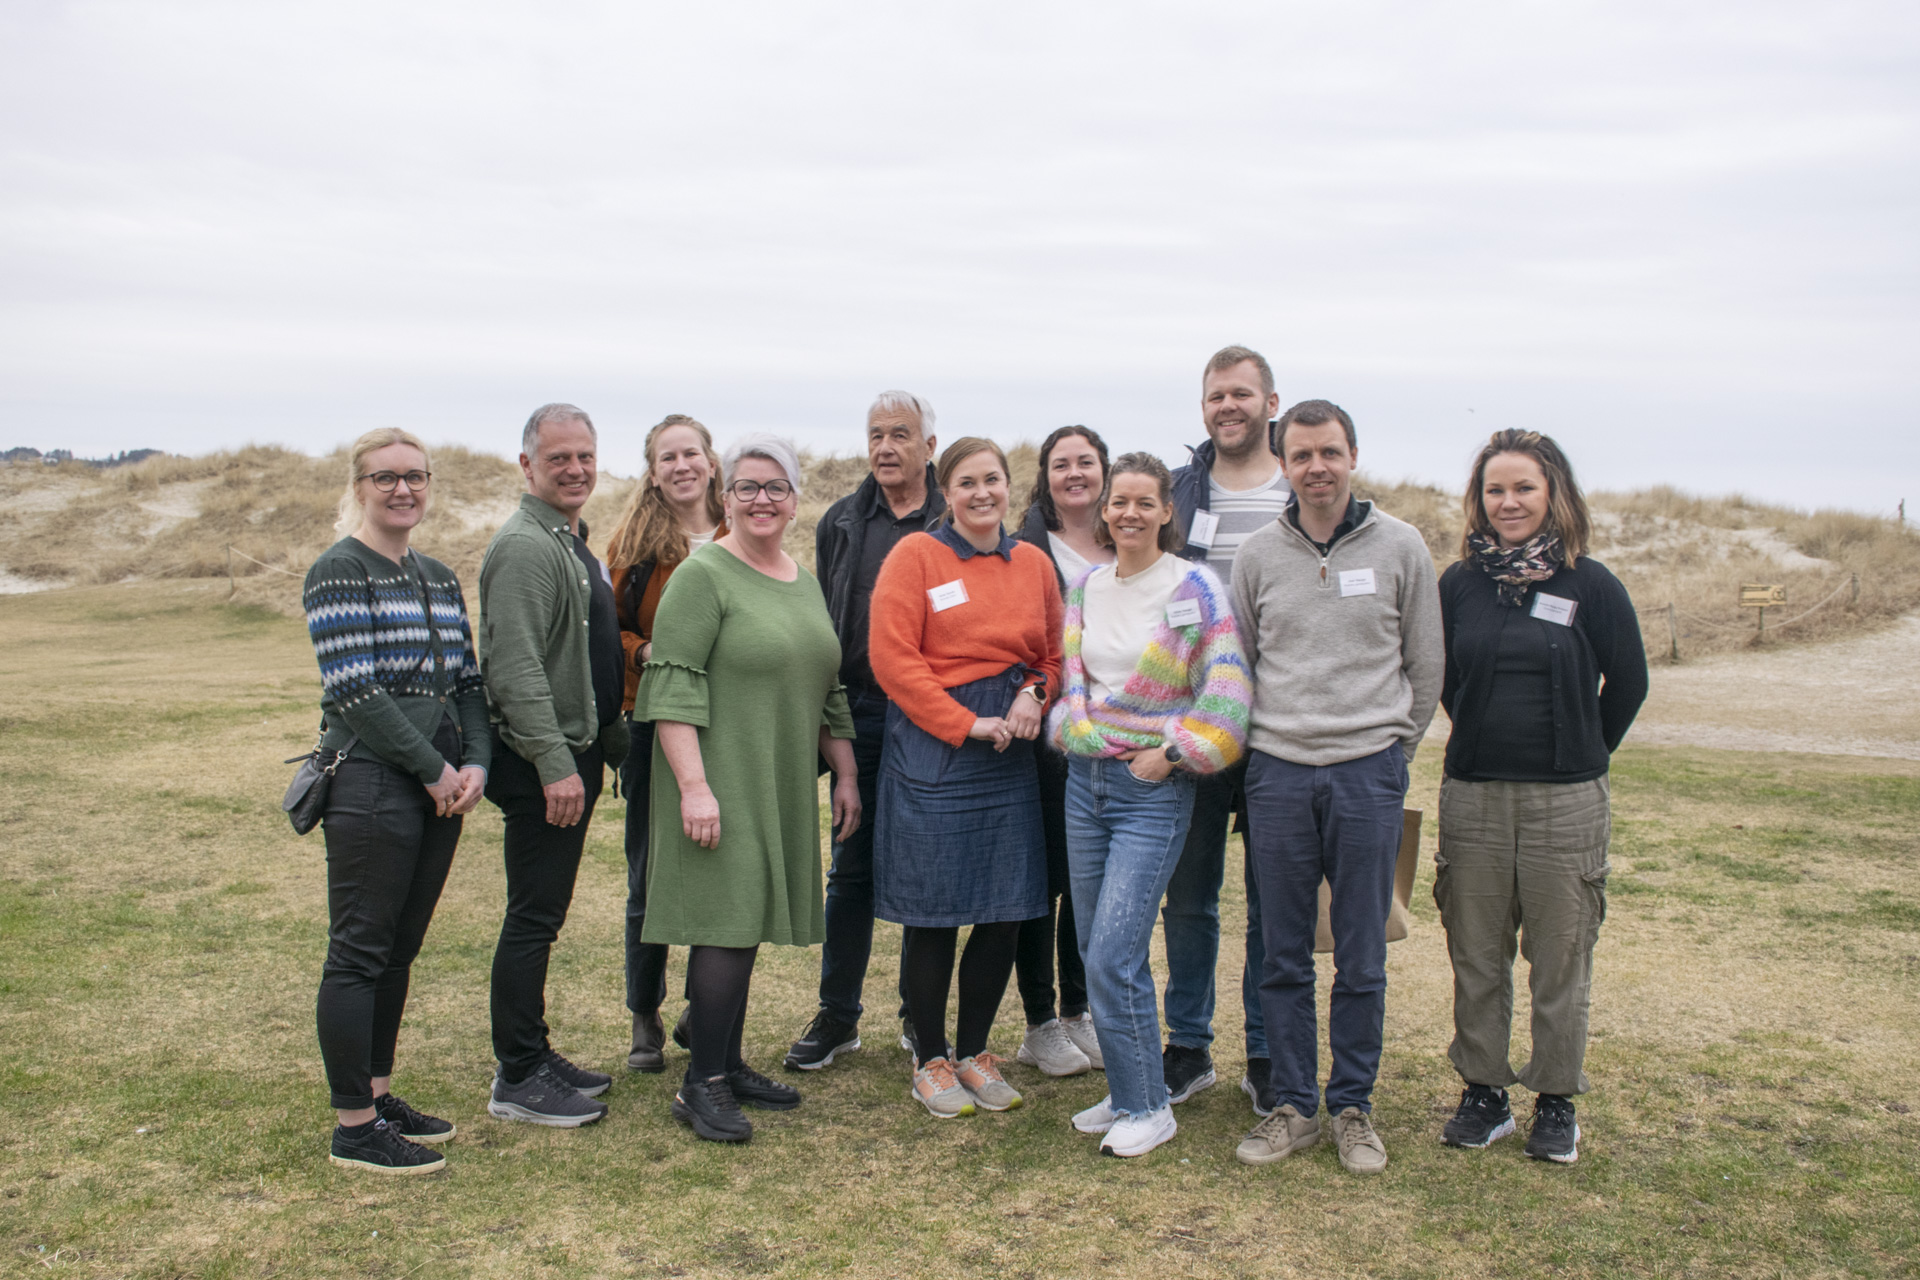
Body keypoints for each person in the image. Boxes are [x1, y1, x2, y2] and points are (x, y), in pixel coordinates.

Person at [1232, 399, 1443, 1175]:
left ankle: (1353, 1106)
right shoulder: (1258, 553)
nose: (1316, 467)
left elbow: (1426, 663)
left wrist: (1392, 754)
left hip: (1367, 773)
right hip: (1278, 774)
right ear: (1283, 464)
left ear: (1352, 455)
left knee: (1361, 954)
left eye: (1329, 452)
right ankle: (1294, 1106)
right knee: (1281, 953)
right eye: (1301, 455)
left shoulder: (1402, 546)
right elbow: (1239, 667)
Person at [636, 434, 861, 1142]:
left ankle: (727, 1063)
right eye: (747, 487)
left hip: (779, 774)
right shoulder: (702, 576)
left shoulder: (801, 579)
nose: (762, 499)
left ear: (794, 501)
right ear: (725, 498)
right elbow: (670, 687)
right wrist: (694, 788)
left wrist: (846, 771)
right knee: (727, 923)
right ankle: (699, 1084)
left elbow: (826, 686)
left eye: (776, 487)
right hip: (718, 774)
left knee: (749, 918)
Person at [1434, 430, 1647, 1164]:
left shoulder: (1592, 585)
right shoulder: (1459, 585)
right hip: (1475, 798)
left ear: (1553, 492)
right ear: (1479, 499)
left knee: (1560, 957)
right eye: (1495, 489)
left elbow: (1629, 683)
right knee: (1476, 953)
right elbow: (1445, 679)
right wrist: (1482, 735)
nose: (1509, 502)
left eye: (1523, 487)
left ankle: (1555, 1101)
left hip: (1567, 804)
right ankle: (1484, 1092)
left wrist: (1584, 751)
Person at [1050, 452, 1252, 1157]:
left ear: (1168, 511)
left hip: (1151, 791)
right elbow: (1074, 683)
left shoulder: (1196, 589)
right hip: (1085, 785)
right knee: (1092, 946)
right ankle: (1129, 1086)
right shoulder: (1085, 588)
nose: (1129, 513)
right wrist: (1073, 729)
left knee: (1115, 950)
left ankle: (1148, 1108)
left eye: (1144, 502)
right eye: (1119, 501)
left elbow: (1226, 701)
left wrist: (1169, 753)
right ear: (1104, 511)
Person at [303, 428, 490, 1175]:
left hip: (439, 781)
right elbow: (355, 688)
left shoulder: (438, 577)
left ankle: (377, 1095)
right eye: (385, 478)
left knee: (399, 947)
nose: (403, 489)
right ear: (359, 487)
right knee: (358, 949)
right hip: (373, 781)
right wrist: (432, 768)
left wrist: (475, 761)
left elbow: (467, 682)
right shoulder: (339, 571)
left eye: (415, 476)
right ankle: (354, 1126)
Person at [868, 437, 1064, 1118]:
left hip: (1010, 748)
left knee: (1005, 909)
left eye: (993, 480)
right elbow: (893, 660)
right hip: (936, 747)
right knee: (935, 912)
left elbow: (1052, 656)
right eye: (967, 483)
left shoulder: (1033, 563)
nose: (982, 493)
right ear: (945, 492)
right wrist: (963, 723)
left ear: (1009, 486)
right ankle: (930, 1057)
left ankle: (977, 1052)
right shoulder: (916, 556)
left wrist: (1033, 694)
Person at [785, 392, 946, 1071]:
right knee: (849, 868)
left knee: (923, 870)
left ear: (929, 446)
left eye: (900, 434)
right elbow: (830, 623)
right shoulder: (843, 521)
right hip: (861, 714)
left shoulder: (950, 518)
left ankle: (919, 1018)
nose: (885, 447)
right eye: (875, 434)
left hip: (933, 720)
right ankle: (837, 1015)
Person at [479, 403, 629, 1127]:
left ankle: (533, 1051)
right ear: (527, 465)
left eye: (584, 456)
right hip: (547, 766)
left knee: (545, 914)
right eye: (558, 458)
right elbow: (515, 669)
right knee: (533, 918)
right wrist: (553, 762)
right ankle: (517, 1074)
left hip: (574, 754)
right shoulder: (524, 548)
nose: (574, 469)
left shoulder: (568, 539)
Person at [1163, 345, 1291, 1113]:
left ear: (1271, 403)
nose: (1227, 407)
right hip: (1199, 720)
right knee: (1190, 895)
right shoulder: (1182, 490)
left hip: (1282, 726)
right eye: (1216, 396)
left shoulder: (1303, 485)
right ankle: (1188, 1045)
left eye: (1241, 394)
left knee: (1273, 899)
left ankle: (1268, 1052)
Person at [603, 414, 728, 1074]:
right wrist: (648, 651)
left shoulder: (742, 530)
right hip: (652, 720)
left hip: (729, 723)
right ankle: (643, 1013)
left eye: (691, 453)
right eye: (667, 457)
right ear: (653, 472)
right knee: (649, 874)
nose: (681, 466)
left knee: (721, 868)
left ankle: (702, 1007)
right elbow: (610, 633)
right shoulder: (634, 547)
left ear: (711, 461)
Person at [1008, 424, 1116, 1077]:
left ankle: (1079, 1011)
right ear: (1045, 477)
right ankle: (1039, 1023)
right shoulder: (1024, 547)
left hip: (1112, 735)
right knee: (1042, 878)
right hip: (1044, 734)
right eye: (1060, 464)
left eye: (1086, 462)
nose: (1074, 473)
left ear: (1104, 470)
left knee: (1087, 880)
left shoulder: (1128, 539)